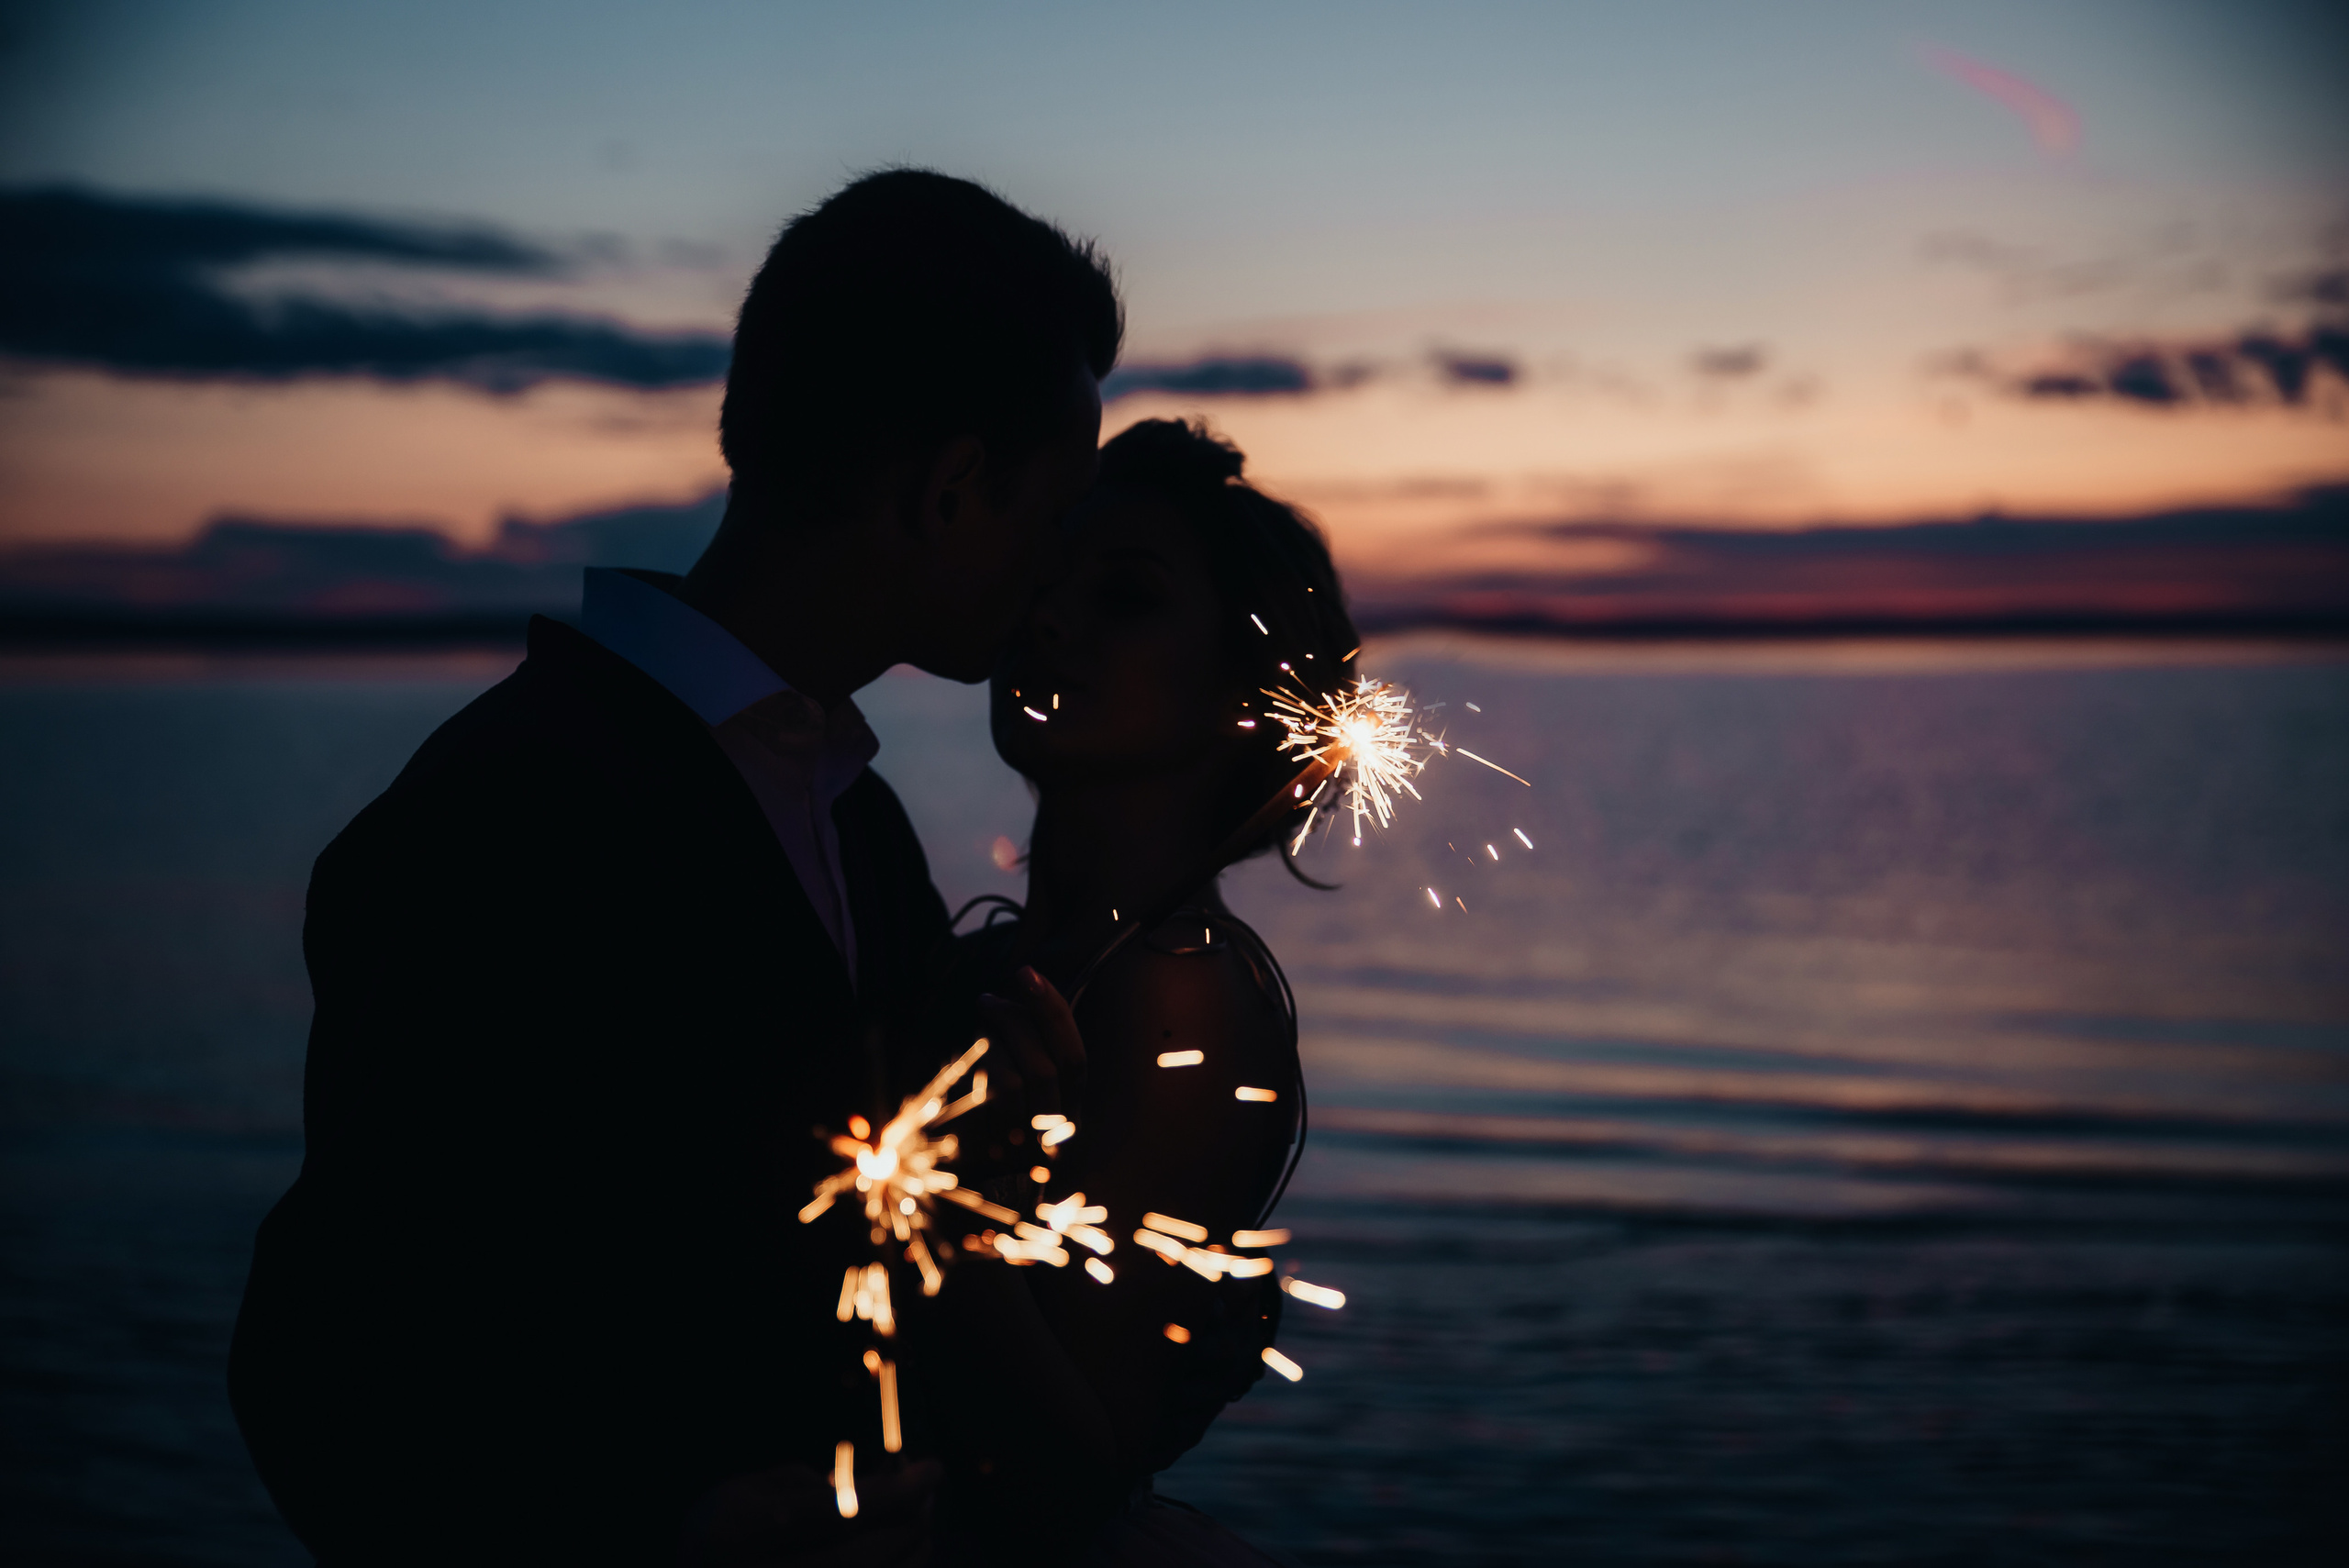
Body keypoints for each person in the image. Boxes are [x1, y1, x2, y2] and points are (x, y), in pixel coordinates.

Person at [229, 169, 1123, 1567]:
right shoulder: (507, 818)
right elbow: (323, 1371)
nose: (1059, 574)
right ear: (952, 492)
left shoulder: (855, 818)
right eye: (1052, 515)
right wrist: (657, 1537)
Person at [899, 417, 1357, 1565]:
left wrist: (942, 1202)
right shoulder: (1003, 962)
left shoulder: (1177, 997)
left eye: (1125, 597)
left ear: (1244, 692)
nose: (1047, 617)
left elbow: (1064, 1471)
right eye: (1044, 580)